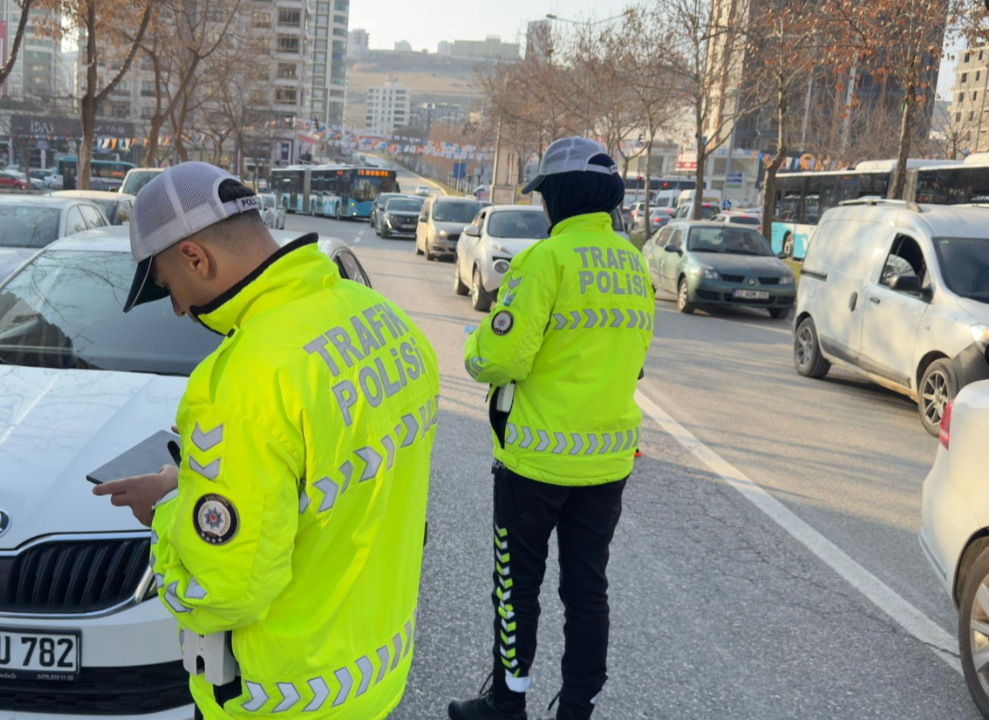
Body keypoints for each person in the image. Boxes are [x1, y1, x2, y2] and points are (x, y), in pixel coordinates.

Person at [93, 162, 440, 719]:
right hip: (371, 676)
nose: (179, 307)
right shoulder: (386, 323)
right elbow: (320, 484)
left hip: (278, 696)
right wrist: (190, 479)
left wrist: (165, 513)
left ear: (194, 259)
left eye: (167, 287)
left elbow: (225, 591)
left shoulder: (243, 379)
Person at [450, 138, 655, 720]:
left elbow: (500, 358)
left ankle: (507, 704)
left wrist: (474, 345)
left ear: (557, 198)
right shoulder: (632, 264)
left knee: (517, 590)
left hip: (534, 465)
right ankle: (578, 707)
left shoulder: (545, 261)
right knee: (587, 591)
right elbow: (635, 358)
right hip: (607, 463)